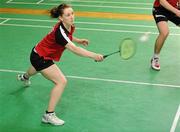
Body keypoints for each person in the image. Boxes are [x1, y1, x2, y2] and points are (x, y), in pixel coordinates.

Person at [17, 3, 104, 126]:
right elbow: (74, 49)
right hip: (40, 57)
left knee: (36, 69)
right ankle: (48, 115)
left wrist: (78, 40)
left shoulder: (68, 26)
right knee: (61, 81)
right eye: (68, 15)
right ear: (61, 18)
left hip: (38, 52)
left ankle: (24, 77)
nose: (72, 17)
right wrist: (94, 56)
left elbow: (68, 36)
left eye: (72, 13)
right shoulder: (59, 32)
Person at [151, 0, 180, 70]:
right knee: (164, 32)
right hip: (160, 9)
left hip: (175, 8)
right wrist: (176, 11)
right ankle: (155, 58)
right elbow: (162, 1)